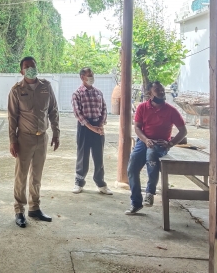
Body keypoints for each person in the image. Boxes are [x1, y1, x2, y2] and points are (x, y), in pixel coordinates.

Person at [8, 56, 60, 228]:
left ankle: (34, 207)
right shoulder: (16, 90)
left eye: (33, 65)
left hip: (42, 137)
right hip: (24, 138)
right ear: (21, 71)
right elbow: (12, 118)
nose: (30, 68)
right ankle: (19, 211)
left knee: (37, 175)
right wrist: (13, 141)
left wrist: (56, 133)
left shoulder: (46, 87)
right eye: (27, 66)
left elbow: (53, 110)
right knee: (21, 175)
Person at [125, 81, 187, 215]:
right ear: (150, 93)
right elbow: (137, 128)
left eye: (162, 89)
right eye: (157, 90)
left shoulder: (171, 110)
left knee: (151, 155)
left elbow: (183, 131)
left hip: (160, 143)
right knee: (132, 167)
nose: (162, 92)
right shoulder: (142, 107)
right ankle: (136, 203)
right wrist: (146, 140)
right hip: (144, 141)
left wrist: (170, 144)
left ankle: (150, 192)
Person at [71, 67, 113, 195]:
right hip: (84, 127)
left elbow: (104, 109)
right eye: (88, 75)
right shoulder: (77, 94)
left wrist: (100, 124)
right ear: (82, 77)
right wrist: (91, 127)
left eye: (92, 74)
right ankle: (79, 183)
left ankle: (100, 183)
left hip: (98, 126)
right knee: (83, 156)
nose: (91, 77)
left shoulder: (98, 93)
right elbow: (78, 113)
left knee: (98, 156)